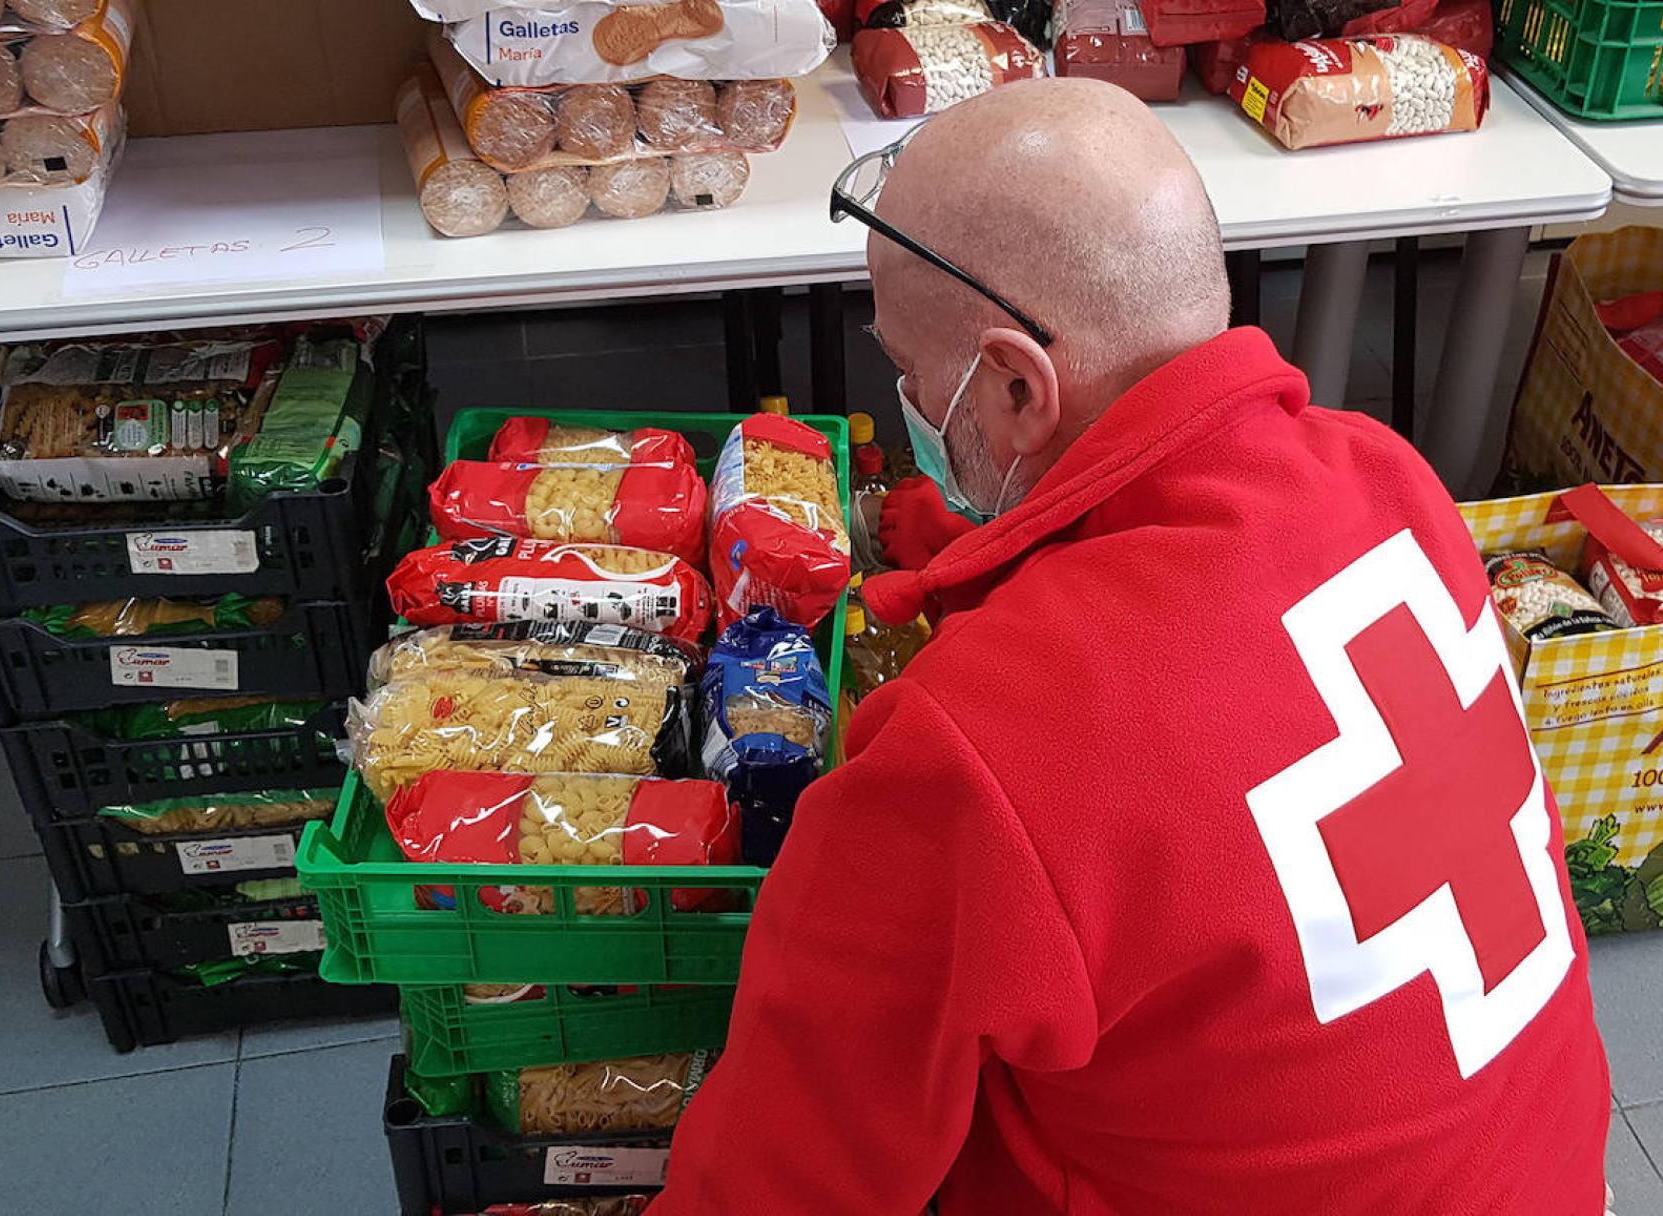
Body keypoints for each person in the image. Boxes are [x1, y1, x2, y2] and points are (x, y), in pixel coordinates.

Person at [654, 77, 1611, 1214]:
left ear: (1016, 382)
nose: (903, 400)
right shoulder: (1392, 483)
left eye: (909, 375)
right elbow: (1188, 671)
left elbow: (778, 1180)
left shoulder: (968, 754)